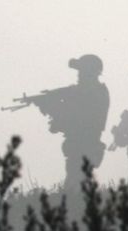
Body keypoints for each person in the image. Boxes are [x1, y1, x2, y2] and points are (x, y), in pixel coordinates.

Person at [24, 54, 110, 190]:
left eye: (82, 71)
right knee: (78, 180)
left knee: (77, 184)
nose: (79, 75)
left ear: (90, 72)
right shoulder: (83, 92)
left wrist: (53, 109)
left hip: (84, 144)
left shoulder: (94, 93)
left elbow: (78, 117)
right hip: (78, 145)